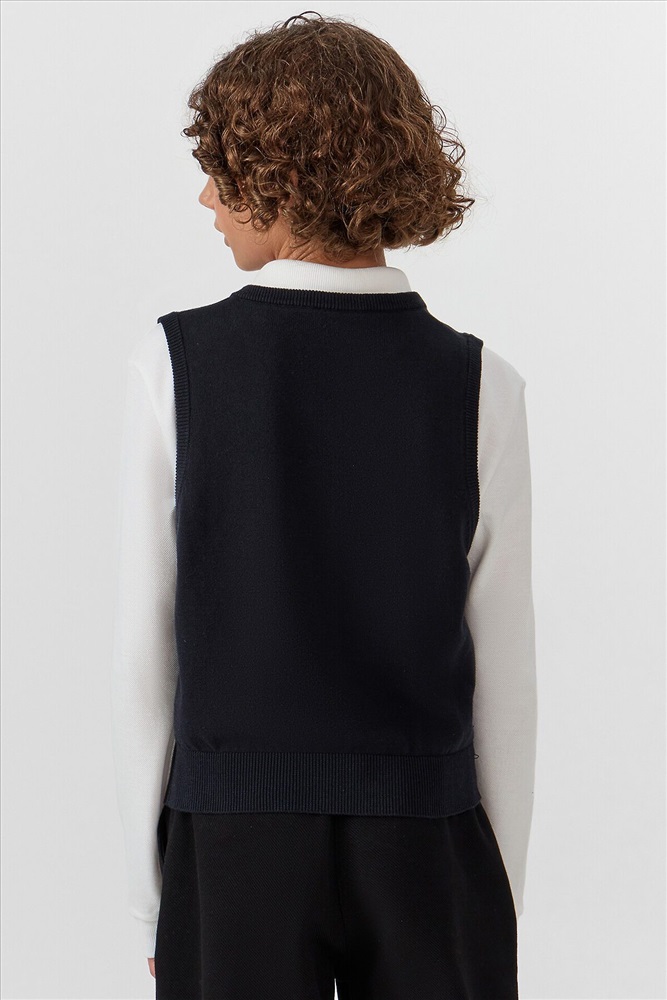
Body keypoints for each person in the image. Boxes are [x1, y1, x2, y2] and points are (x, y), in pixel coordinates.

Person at [111, 11, 537, 999]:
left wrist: (149, 895)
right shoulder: (480, 384)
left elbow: (144, 650)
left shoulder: (175, 366)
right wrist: (495, 895)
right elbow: (504, 676)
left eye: (222, 169)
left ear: (285, 175)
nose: (206, 197)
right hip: (428, 834)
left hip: (233, 837)